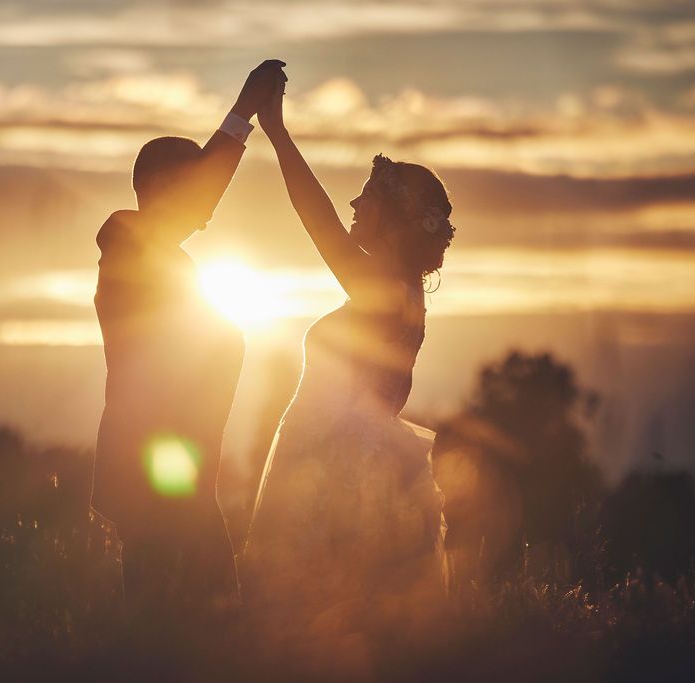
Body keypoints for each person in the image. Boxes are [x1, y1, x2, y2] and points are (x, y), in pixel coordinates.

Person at [243, 68, 455, 673]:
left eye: (369, 196)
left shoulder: (381, 287)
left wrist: (277, 133)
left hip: (339, 471)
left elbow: (316, 220)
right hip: (366, 463)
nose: (355, 203)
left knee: (320, 622)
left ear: (391, 217)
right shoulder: (404, 291)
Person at [93, 60, 287, 624]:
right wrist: (243, 113)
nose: (206, 212)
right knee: (185, 615)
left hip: (180, 476)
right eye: (193, 186)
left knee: (192, 616)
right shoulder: (127, 244)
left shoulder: (164, 260)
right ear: (158, 189)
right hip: (156, 469)